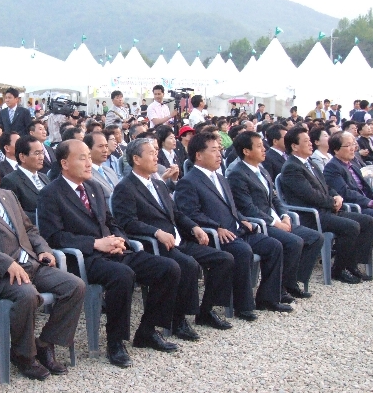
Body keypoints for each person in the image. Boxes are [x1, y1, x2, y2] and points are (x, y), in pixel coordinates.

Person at [38, 140, 182, 367]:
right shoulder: (50, 193)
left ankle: (147, 329)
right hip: (83, 258)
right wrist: (96, 243)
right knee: (122, 275)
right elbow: (54, 237)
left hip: (112, 251)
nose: (88, 163)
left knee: (168, 268)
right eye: (82, 158)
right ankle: (115, 342)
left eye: (88, 156)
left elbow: (111, 221)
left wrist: (119, 240)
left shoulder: (93, 187)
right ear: (64, 163)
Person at [0, 145, 84, 380]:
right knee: (26, 295)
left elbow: (30, 230)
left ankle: (45, 343)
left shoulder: (7, 195)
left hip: (31, 264)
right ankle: (24, 355)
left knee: (74, 286)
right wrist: (5, 263)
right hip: (0, 274)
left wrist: (44, 250)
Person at [112, 138, 235, 334]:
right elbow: (127, 222)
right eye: (151, 153)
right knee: (188, 265)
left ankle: (206, 310)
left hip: (178, 239)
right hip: (157, 245)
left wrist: (194, 227)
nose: (156, 157)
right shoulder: (125, 188)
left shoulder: (159, 183)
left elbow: (175, 213)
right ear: (136, 158)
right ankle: (178, 320)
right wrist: (156, 232)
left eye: (156, 152)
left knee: (224, 259)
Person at [174, 132, 290, 320]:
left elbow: (231, 207)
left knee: (273, 245)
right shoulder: (189, 182)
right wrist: (217, 226)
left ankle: (268, 297)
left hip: (236, 230)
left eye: (220, 150)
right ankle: (242, 306)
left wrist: (242, 218)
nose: (220, 154)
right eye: (214, 150)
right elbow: (190, 214)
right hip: (216, 235)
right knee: (242, 250)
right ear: (199, 155)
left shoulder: (219, 177)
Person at [226, 132, 324, 299]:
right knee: (293, 241)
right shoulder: (238, 174)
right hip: (260, 223)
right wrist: (275, 223)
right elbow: (248, 208)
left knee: (315, 238)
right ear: (246, 151)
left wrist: (285, 216)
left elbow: (276, 200)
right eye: (259, 146)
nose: (264, 149)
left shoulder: (262, 171)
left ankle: (289, 282)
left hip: (276, 220)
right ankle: (273, 291)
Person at [278, 126, 373, 284]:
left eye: (310, 141)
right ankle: (339, 269)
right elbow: (310, 195)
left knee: (367, 221)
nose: (311, 144)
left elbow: (325, 186)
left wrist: (336, 196)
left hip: (326, 210)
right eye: (306, 141)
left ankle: (351, 264)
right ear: (294, 146)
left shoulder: (309, 163)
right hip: (311, 215)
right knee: (351, 226)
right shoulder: (292, 168)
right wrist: (332, 202)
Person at [323, 132, 373, 278]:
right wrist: (371, 203)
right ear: (336, 150)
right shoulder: (332, 168)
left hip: (366, 204)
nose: (353, 148)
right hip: (354, 208)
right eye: (348, 145)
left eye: (354, 144)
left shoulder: (352, 164)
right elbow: (346, 193)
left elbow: (366, 189)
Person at [0, 135, 51, 220]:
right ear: (22, 157)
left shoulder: (44, 177)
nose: (42, 157)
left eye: (42, 152)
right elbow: (15, 213)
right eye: (37, 153)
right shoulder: (10, 181)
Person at [83, 132, 119, 200]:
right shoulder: (86, 174)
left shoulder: (110, 171)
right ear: (88, 149)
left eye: (106, 146)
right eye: (100, 146)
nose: (105, 150)